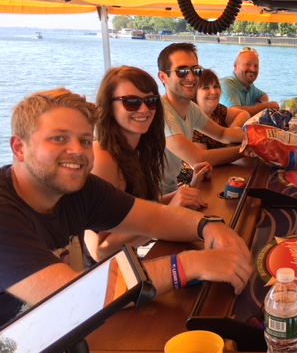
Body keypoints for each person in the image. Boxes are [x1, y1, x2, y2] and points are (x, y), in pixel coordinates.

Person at [0, 88, 253, 330]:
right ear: (19, 148)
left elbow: (155, 218)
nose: (77, 151)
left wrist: (207, 225)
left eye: (85, 140)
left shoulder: (79, 188)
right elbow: (72, 299)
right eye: (59, 138)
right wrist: (188, 265)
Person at [87, 66, 210, 263]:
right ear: (109, 106)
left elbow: (133, 211)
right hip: (108, 276)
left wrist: (184, 193)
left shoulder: (139, 148)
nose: (144, 109)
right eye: (131, 102)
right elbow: (100, 250)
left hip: (133, 259)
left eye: (151, 101)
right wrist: (169, 211)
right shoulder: (102, 157)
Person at [157, 43, 246, 196]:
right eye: (182, 71)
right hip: (154, 199)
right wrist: (248, 150)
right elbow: (199, 157)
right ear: (163, 77)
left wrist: (259, 138)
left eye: (196, 70)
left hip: (174, 191)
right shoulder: (162, 113)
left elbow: (223, 134)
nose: (191, 77)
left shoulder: (191, 108)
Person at [192, 69, 250, 149]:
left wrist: (234, 128)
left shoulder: (217, 110)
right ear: (194, 93)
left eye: (216, 86)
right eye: (206, 88)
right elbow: (204, 158)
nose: (213, 92)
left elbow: (243, 114)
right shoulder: (193, 123)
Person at [219, 47, 280, 116]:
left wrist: (258, 105)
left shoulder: (248, 86)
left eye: (256, 66)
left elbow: (264, 96)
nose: (253, 69)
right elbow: (235, 113)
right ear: (235, 66)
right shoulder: (225, 84)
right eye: (248, 64)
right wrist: (266, 106)